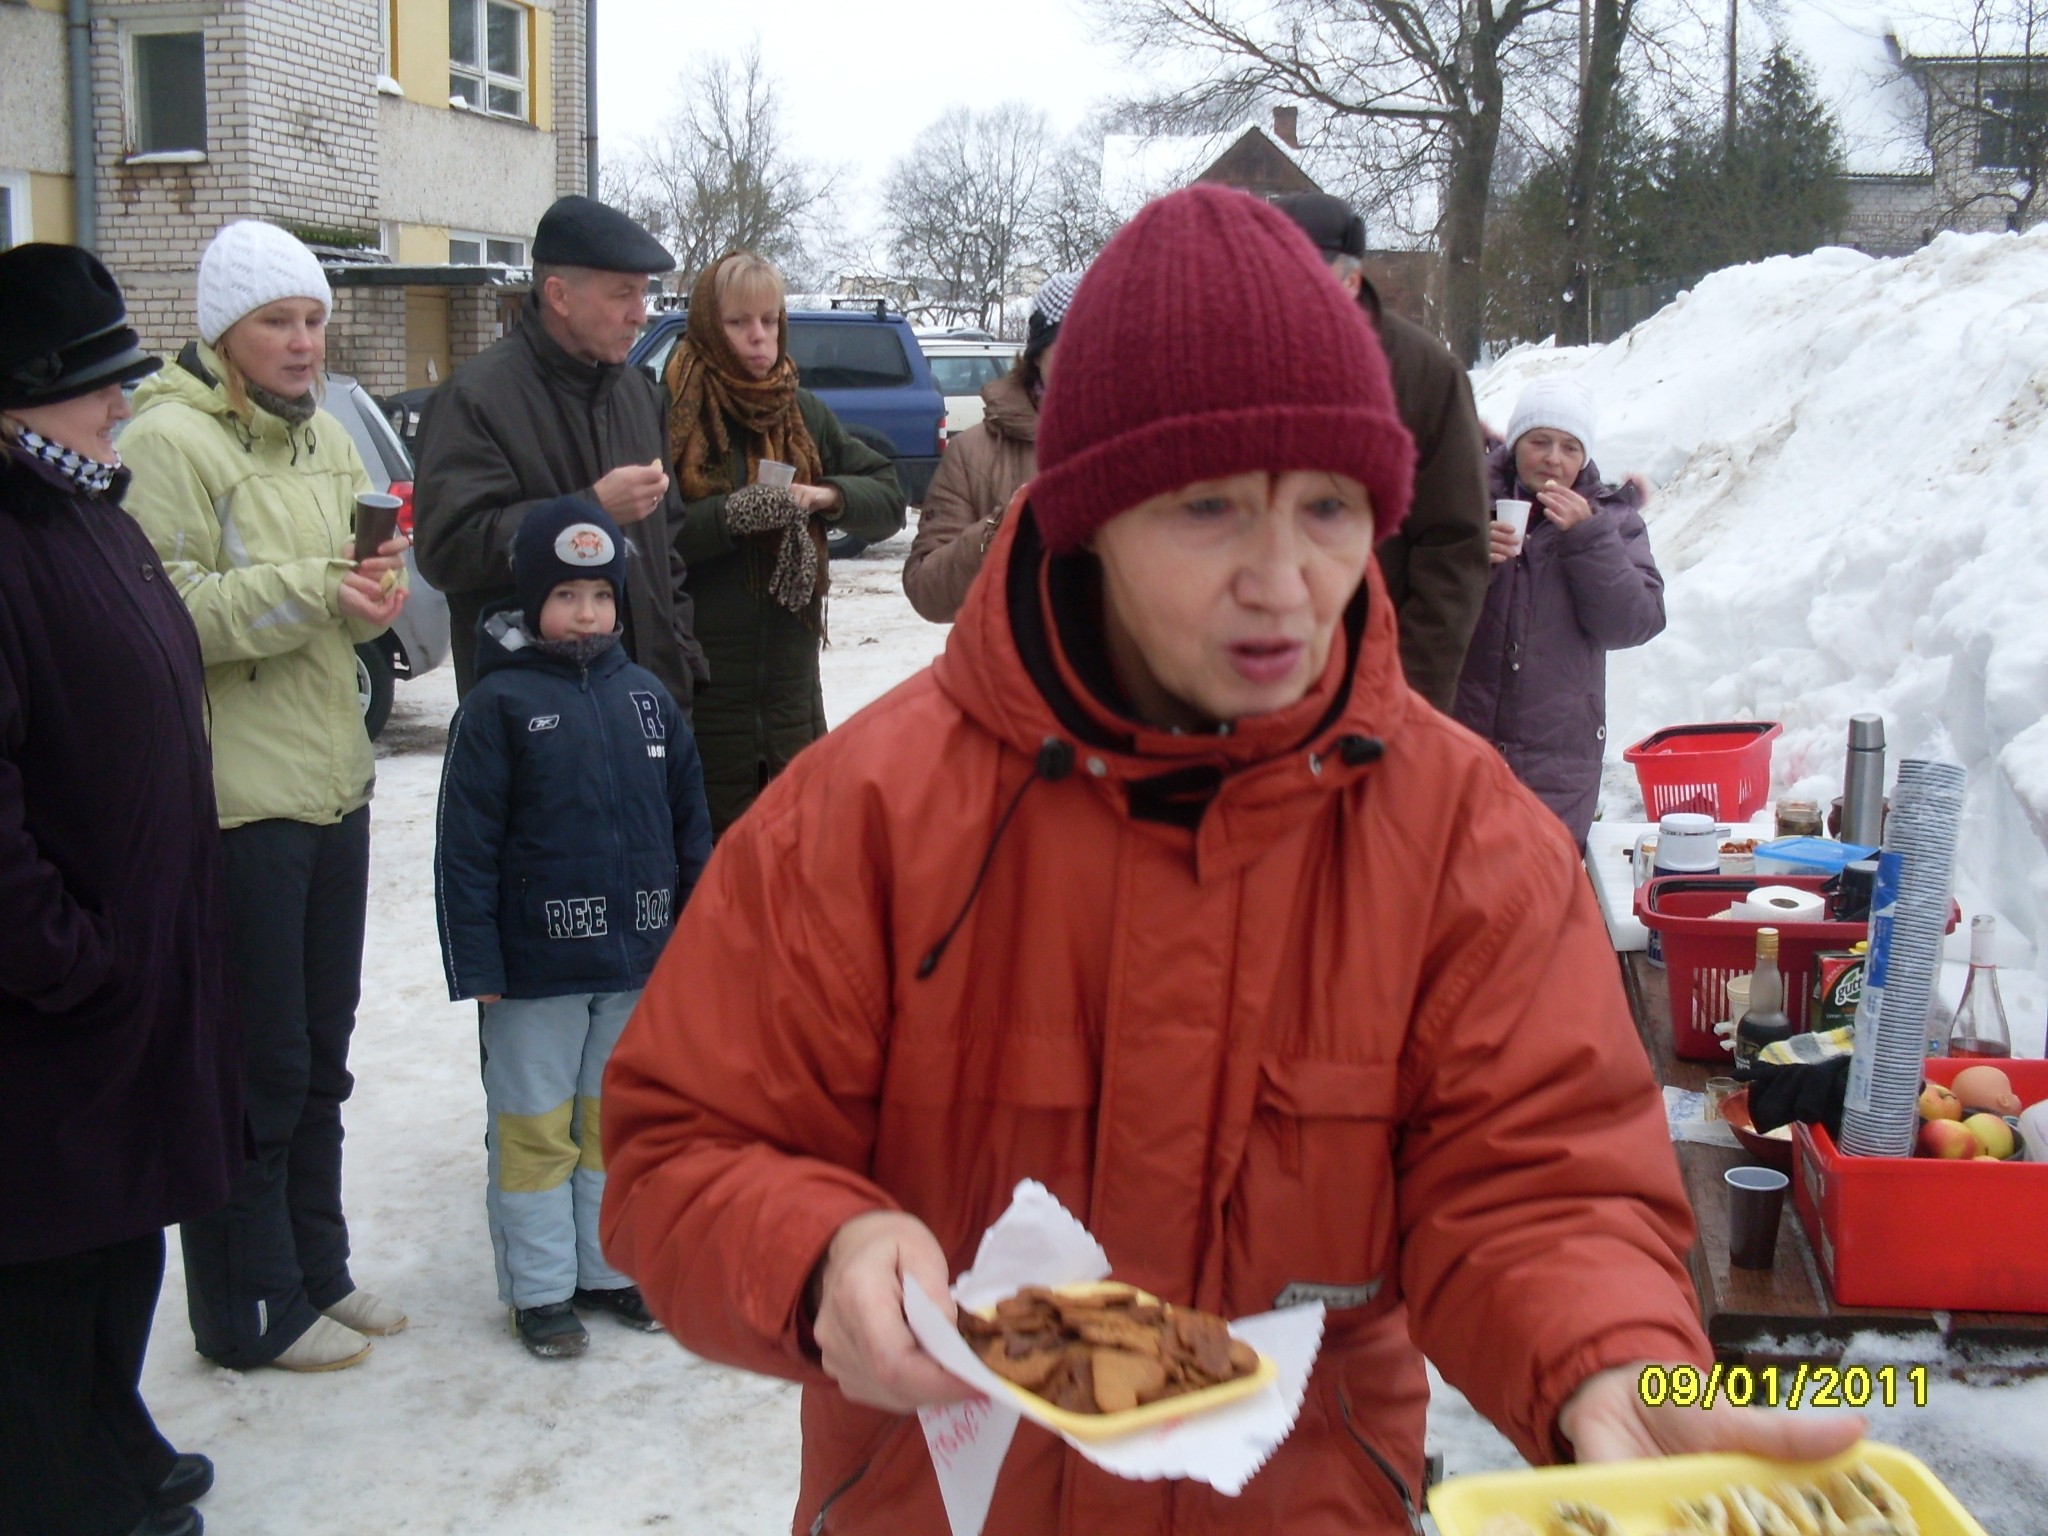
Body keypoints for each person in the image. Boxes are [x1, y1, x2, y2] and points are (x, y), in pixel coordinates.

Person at [601, 187, 1859, 1535]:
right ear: (1094, 515)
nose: (1282, 580)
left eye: (1327, 507)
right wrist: (818, 1255)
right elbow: (684, 1145)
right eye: (1208, 509)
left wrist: (1615, 1364)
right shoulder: (863, 816)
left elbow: (1537, 1186)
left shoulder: (1465, 840)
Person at [121, 220, 411, 1374]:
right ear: (223, 333)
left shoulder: (323, 436)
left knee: (323, 1053)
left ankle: (316, 1272)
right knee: (261, 1063)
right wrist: (313, 586)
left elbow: (343, 580)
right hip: (238, 799)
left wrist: (373, 585)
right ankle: (248, 1306)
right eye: (278, 323)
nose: (303, 344)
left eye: (312, 322)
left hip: (330, 778)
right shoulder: (167, 442)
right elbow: (165, 610)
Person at [0, 245, 237, 1536]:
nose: (121, 403)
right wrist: (66, 956)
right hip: (51, 1003)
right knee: (43, 1265)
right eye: (94, 383)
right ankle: (54, 1489)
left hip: (131, 973)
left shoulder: (84, 504)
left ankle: (111, 1424)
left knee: (121, 1230)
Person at [434, 497, 713, 1361]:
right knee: (533, 1129)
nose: (586, 614)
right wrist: (475, 958)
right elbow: (466, 849)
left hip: (635, 961)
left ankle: (606, 1267)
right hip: (532, 974)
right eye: (566, 597)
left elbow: (690, 832)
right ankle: (543, 1289)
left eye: (600, 596)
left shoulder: (648, 701)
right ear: (529, 602)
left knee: (610, 1124)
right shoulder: (499, 708)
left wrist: (696, 941)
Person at [414, 194, 707, 706]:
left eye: (644, 294)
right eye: (623, 295)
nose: (640, 315)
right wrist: (590, 511)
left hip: (648, 711)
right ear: (559, 295)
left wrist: (679, 660)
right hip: (536, 726)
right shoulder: (476, 399)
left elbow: (669, 551)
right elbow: (447, 551)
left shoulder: (637, 396)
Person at [664, 251, 905, 834]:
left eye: (769, 321)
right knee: (710, 871)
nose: (758, 337)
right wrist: (729, 516)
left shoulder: (801, 411)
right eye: (738, 322)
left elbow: (889, 498)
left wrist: (825, 498)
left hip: (790, 695)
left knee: (793, 862)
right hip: (704, 692)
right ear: (707, 325)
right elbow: (652, 536)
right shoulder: (673, 411)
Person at [1272, 192, 1490, 713]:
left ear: (1351, 281)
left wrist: (1402, 696)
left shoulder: (1424, 374)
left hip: (1375, 679)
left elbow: (1454, 547)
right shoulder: (1233, 362)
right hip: (1252, 673)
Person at [1452, 376, 1665, 849]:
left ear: (1584, 457)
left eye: (1570, 447)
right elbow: (1412, 602)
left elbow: (1636, 622)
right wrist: (1465, 557)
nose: (1553, 458)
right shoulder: (1462, 499)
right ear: (1516, 444)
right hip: (1461, 739)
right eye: (1540, 442)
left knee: (1539, 896)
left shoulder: (1612, 520)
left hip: (1558, 755)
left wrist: (1587, 539)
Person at [901, 271, 1081, 622]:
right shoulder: (973, 453)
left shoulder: (1145, 445)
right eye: (1069, 345)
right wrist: (1001, 528)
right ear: (1037, 356)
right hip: (1010, 668)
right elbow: (927, 591)